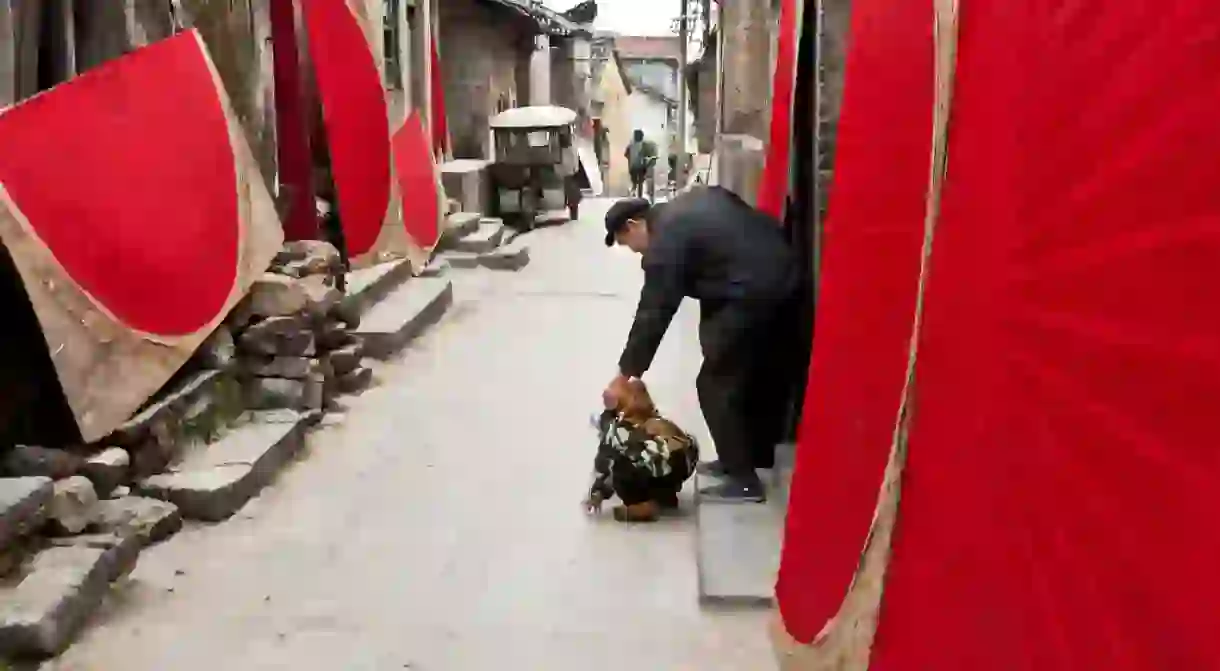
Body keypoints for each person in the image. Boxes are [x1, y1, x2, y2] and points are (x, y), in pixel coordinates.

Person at [601, 188, 800, 502]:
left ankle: (744, 480)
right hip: (780, 272)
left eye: (631, 246)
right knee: (749, 372)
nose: (638, 253)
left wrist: (626, 373)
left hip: (752, 289)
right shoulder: (684, 210)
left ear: (632, 225)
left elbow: (654, 311)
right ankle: (754, 455)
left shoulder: (666, 242)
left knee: (714, 384)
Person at [585, 377, 699, 523]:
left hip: (646, 472)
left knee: (620, 466)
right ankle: (662, 498)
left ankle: (640, 505)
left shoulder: (618, 430)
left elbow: (605, 463)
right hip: (676, 467)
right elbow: (687, 447)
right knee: (651, 462)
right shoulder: (658, 421)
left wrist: (597, 493)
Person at [624, 130, 651, 199]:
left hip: (632, 166)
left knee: (634, 181)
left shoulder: (630, 145)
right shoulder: (644, 145)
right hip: (641, 166)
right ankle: (639, 196)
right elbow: (648, 155)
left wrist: (631, 158)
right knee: (640, 182)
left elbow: (626, 154)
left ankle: (633, 192)